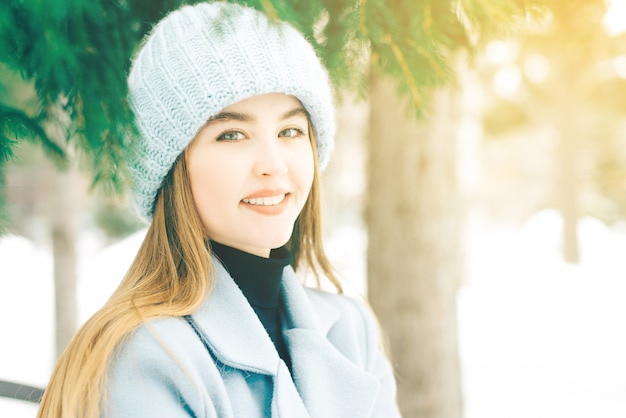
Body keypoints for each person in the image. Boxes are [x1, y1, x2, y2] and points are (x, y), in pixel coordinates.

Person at [37, 2, 401, 417]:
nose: (273, 164)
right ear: (172, 167)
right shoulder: (144, 360)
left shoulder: (350, 330)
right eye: (232, 134)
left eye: (290, 130)